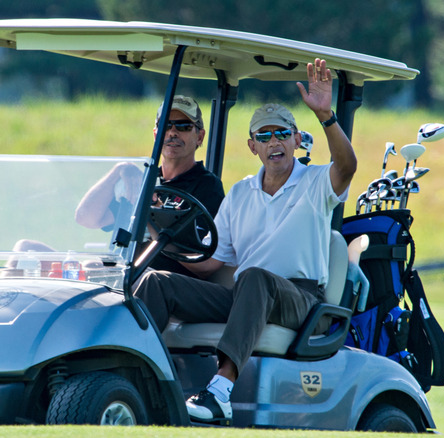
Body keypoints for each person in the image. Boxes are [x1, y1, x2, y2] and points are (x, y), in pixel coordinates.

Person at [133, 58, 357, 424]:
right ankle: (139, 376)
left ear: (296, 140)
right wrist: (160, 233)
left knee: (253, 277)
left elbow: (347, 166)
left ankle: (220, 390)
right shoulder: (239, 194)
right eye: (264, 137)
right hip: (247, 297)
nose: (274, 142)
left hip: (301, 300)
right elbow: (208, 264)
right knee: (156, 282)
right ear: (253, 147)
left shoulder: (317, 184)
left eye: (282, 134)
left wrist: (327, 116)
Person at [74, 95, 225, 277]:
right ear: (156, 134)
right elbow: (86, 218)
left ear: (200, 137)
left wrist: (151, 213)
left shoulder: (206, 185)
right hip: (121, 274)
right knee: (33, 249)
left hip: (162, 283)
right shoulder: (140, 180)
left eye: (184, 126)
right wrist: (119, 169)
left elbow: (199, 255)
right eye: (166, 126)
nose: (172, 132)